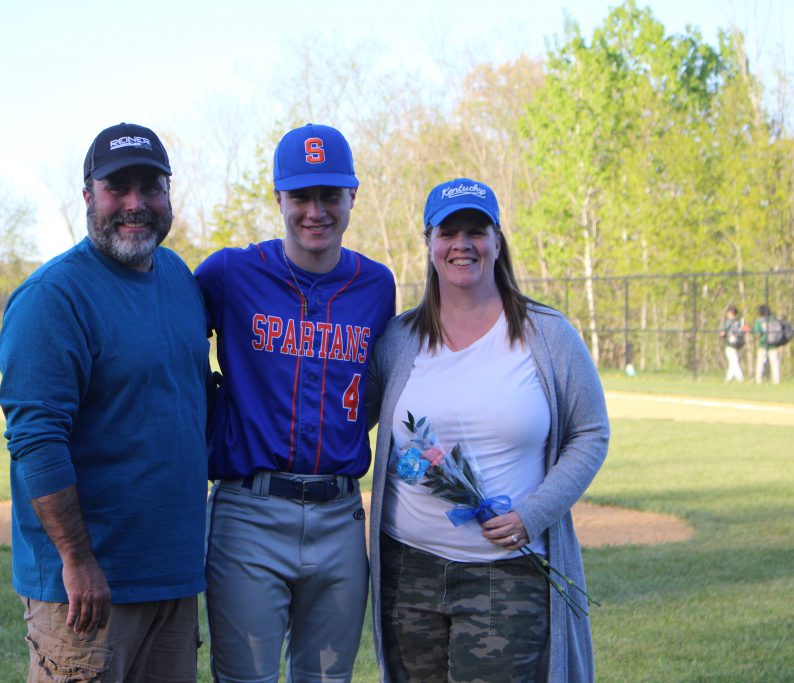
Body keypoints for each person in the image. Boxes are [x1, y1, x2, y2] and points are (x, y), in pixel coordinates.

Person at [366, 178, 610, 682]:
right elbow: (356, 415)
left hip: (506, 574)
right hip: (407, 571)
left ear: (497, 241)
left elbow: (591, 433)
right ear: (429, 243)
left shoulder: (548, 336)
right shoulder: (398, 339)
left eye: (476, 230)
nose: (462, 244)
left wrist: (533, 514)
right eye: (448, 231)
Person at [0, 122, 212, 682]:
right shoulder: (54, 298)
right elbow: (36, 440)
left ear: (169, 194)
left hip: (172, 578)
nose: (135, 204)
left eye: (150, 186)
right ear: (89, 195)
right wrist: (77, 559)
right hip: (89, 590)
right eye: (118, 187)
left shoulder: (178, 278)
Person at [195, 123, 396, 682]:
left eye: (330, 195)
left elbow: (373, 388)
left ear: (352, 197)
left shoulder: (376, 286)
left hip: (338, 516)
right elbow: (169, 345)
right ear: (278, 197)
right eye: (301, 195)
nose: (315, 210)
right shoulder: (229, 274)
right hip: (248, 514)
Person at [753, 304, 781, 384]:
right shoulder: (774, 319)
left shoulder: (759, 321)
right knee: (774, 363)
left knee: (760, 362)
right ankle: (776, 380)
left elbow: (757, 333)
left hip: (763, 344)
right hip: (774, 344)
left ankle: (758, 379)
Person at [719, 305, 746, 383]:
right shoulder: (740, 321)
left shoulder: (728, 322)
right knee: (733, 362)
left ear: (730, 313)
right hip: (738, 344)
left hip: (730, 344)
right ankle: (728, 379)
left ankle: (740, 378)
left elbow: (722, 332)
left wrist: (723, 334)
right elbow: (744, 331)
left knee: (734, 362)